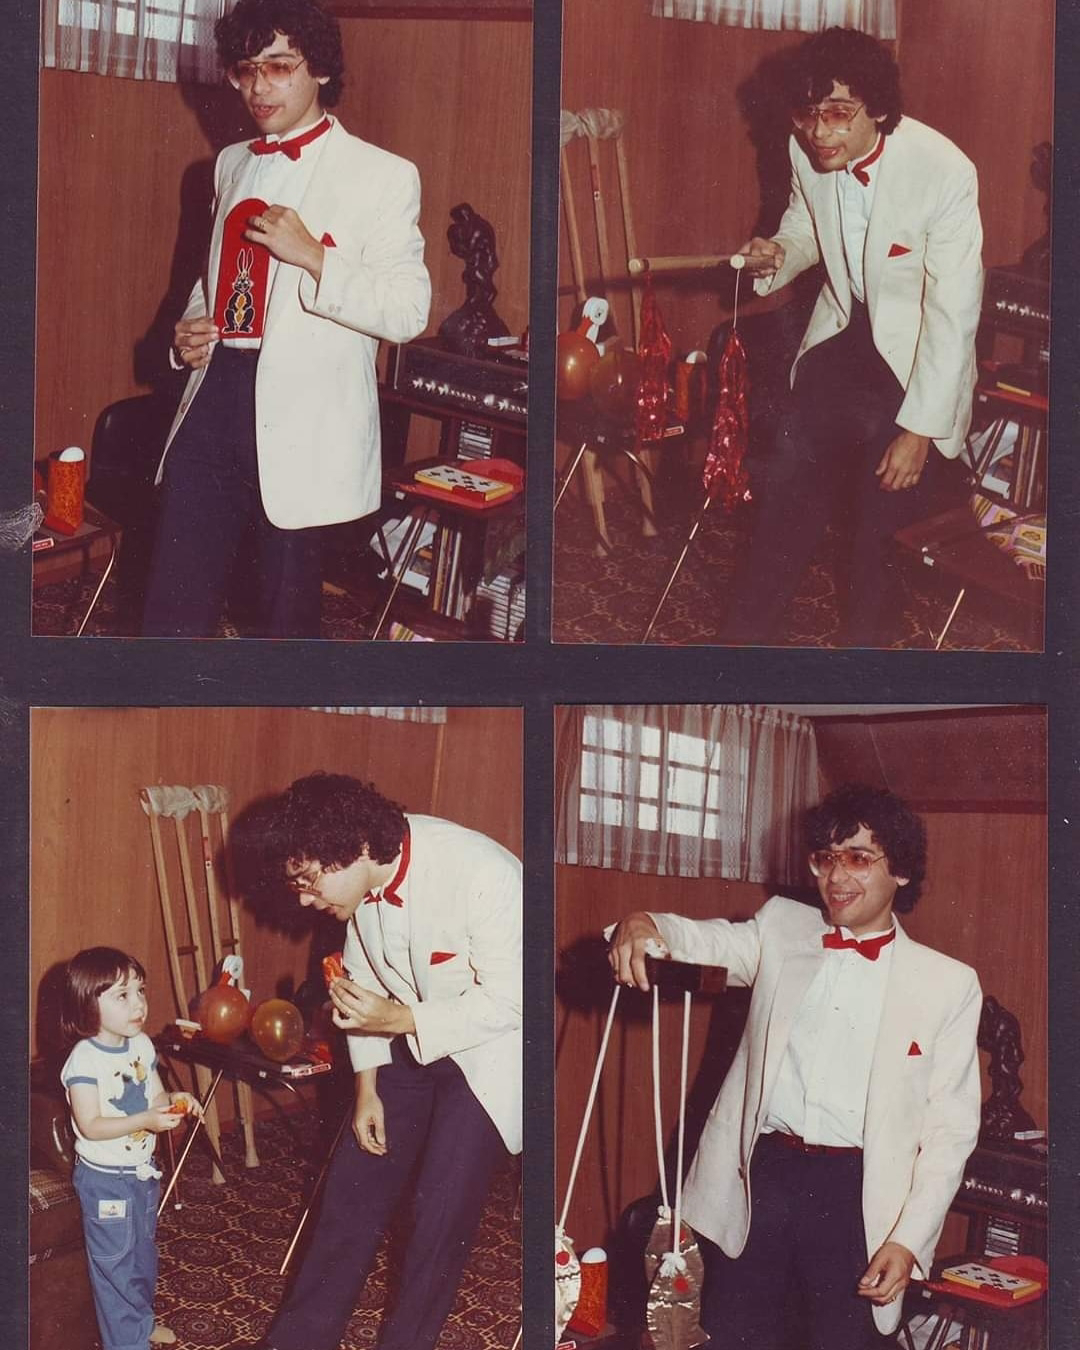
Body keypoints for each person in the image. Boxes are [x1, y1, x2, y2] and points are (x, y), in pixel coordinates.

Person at [607, 784, 982, 1349]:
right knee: (733, 1337)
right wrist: (642, 923)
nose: (837, 876)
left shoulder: (947, 984)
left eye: (859, 858)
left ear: (901, 870)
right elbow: (701, 940)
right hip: (764, 1178)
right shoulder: (781, 929)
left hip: (859, 1195)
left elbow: (951, 1133)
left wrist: (908, 1241)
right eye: (826, 858)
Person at [142, 0, 431, 639]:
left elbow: (409, 310)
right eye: (246, 70)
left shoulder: (383, 176)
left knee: (283, 621)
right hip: (214, 398)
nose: (259, 88)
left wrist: (314, 257)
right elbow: (213, 276)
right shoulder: (230, 162)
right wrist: (189, 330)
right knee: (173, 604)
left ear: (320, 68)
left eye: (279, 67)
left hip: (305, 422)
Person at [721, 27, 984, 647]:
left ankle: (867, 665)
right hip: (845, 334)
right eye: (808, 112)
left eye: (838, 113)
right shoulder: (804, 150)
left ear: (879, 109)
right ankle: (738, 653)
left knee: (878, 533)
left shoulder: (944, 171)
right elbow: (805, 228)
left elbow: (953, 314)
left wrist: (918, 431)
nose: (819, 132)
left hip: (916, 356)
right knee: (786, 498)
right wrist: (776, 254)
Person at [251, 773, 522, 1350]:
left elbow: (512, 1001)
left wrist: (397, 1019)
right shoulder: (361, 886)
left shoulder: (485, 872)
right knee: (350, 1192)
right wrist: (368, 1090)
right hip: (402, 1041)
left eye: (308, 882)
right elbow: (366, 982)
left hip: (489, 1055)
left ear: (353, 848)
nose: (303, 900)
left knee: (437, 1217)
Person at [61, 947, 200, 1350]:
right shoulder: (84, 1060)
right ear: (88, 1002)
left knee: (141, 1257)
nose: (138, 1003)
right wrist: (144, 1121)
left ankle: (139, 1325)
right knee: (115, 1266)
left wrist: (175, 1100)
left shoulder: (140, 1044)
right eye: (122, 995)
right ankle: (127, 1343)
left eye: (140, 990)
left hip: (141, 1173)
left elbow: (154, 1098)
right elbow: (91, 1125)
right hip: (105, 1181)